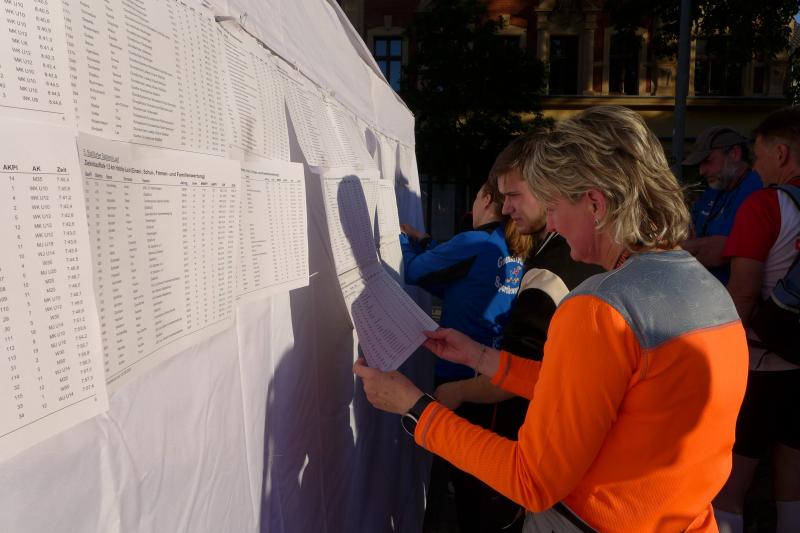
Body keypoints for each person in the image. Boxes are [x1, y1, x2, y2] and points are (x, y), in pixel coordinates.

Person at [355, 106, 748, 532]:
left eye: (555, 205)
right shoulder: (707, 287)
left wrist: (416, 409)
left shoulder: (599, 307)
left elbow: (532, 481)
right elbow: (589, 392)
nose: (554, 224)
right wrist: (482, 358)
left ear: (595, 204)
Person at [432, 134, 604, 532]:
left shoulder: (552, 270)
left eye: (513, 195)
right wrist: (475, 354)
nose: (505, 208)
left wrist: (453, 394)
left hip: (543, 458)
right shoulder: (569, 253)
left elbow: (523, 374)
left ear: (549, 187)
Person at [399, 178, 529, 533]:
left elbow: (415, 270)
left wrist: (400, 239)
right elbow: (457, 278)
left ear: (485, 200)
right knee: (481, 477)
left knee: (464, 476)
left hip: (459, 377)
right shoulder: (509, 244)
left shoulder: (476, 241)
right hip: (494, 378)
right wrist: (426, 242)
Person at [713, 106, 800, 533]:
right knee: (792, 469)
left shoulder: (766, 204)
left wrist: (716, 354)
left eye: (760, 154)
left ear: (781, 153)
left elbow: (744, 291)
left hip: (761, 363)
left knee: (732, 479)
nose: (757, 165)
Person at [682, 126, 762, 283]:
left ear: (735, 153)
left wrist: (676, 250)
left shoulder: (754, 190)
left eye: (707, 161)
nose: (702, 171)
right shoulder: (716, 187)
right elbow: (686, 234)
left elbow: (718, 253)